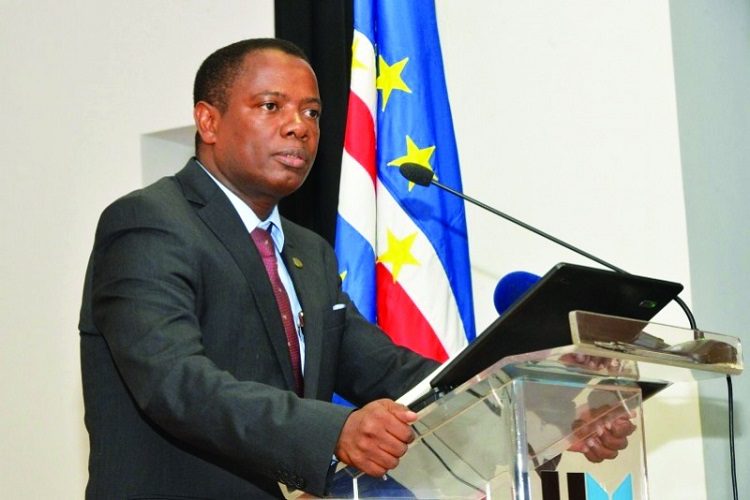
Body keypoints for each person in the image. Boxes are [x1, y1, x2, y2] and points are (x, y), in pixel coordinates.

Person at [79, 38, 632, 499]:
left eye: (312, 113)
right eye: (271, 106)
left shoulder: (308, 252)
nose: (299, 127)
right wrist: (335, 431)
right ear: (208, 120)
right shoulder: (151, 223)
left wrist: (549, 413)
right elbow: (174, 382)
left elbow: (392, 373)